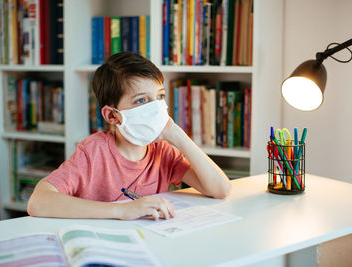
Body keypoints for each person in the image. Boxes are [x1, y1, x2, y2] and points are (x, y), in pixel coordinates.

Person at [27, 52, 231, 220]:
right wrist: (122, 210)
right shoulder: (92, 151)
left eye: (160, 97)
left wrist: (177, 134)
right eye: (141, 100)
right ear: (112, 115)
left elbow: (220, 189)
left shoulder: (163, 152)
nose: (156, 108)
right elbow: (38, 202)